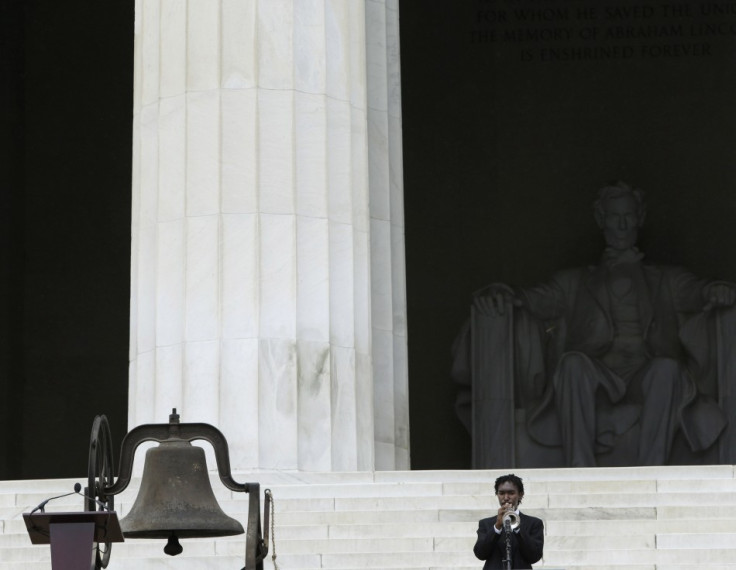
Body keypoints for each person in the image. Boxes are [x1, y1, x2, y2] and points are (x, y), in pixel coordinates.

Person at [472, 181, 736, 466]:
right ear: (601, 220)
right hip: (597, 375)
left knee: (668, 368)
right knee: (572, 363)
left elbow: (697, 292)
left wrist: (717, 289)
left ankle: (652, 469)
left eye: (629, 216)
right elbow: (537, 299)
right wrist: (503, 292)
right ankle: (580, 467)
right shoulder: (574, 281)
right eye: (614, 216)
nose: (622, 225)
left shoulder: (667, 279)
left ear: (640, 218)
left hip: (644, 372)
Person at [473, 474, 543, 569]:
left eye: (511, 493)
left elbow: (534, 556)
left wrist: (518, 528)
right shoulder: (485, 524)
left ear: (521, 494)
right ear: (497, 494)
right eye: (501, 493)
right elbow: (480, 554)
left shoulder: (534, 523)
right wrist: (497, 527)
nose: (506, 497)